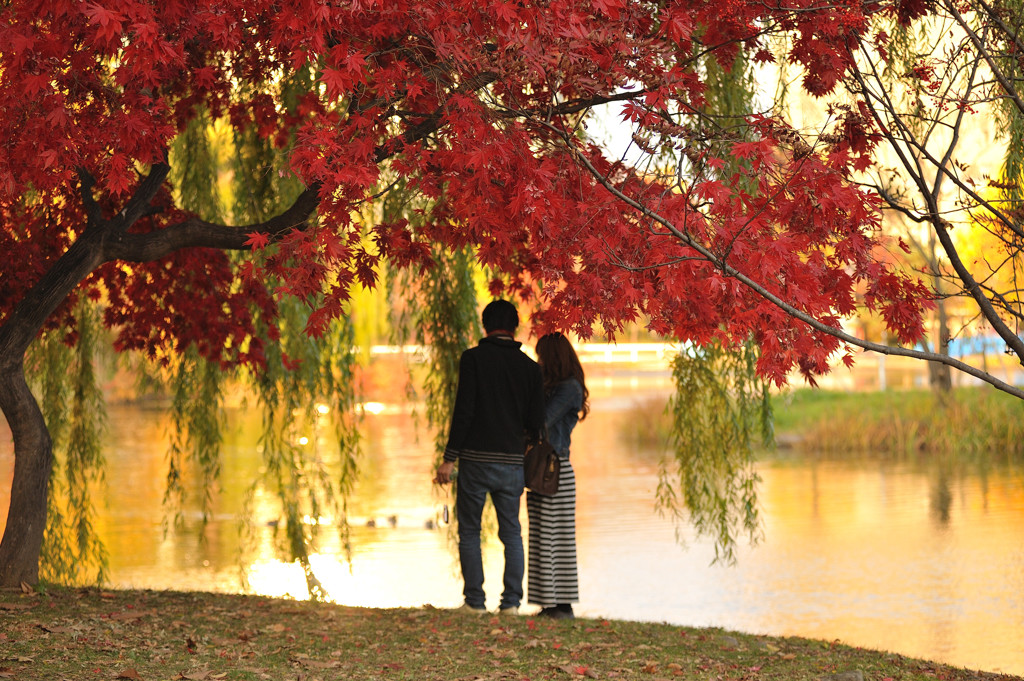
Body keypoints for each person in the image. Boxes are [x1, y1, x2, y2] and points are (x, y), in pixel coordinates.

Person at [433, 300, 545, 616]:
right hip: (512, 463)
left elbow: (464, 411)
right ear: (514, 327)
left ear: (485, 326)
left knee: (469, 530)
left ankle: (475, 603)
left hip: (475, 461)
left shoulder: (473, 359)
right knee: (511, 532)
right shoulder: (531, 368)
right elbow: (536, 423)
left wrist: (449, 458)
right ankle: (510, 604)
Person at [527, 332, 589, 619]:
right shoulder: (553, 386)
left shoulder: (568, 388)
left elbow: (542, 421)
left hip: (556, 469)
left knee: (557, 535)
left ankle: (561, 605)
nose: (538, 362)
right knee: (543, 534)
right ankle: (550, 603)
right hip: (544, 467)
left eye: (541, 356)